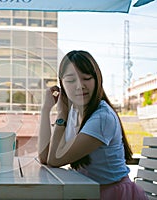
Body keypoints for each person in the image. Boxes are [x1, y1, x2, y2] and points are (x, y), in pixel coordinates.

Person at [38, 50, 147, 200]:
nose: (80, 86)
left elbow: (55, 160)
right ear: (61, 84)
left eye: (86, 78)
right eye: (70, 80)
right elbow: (44, 157)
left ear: (97, 80)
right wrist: (45, 110)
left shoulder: (102, 118)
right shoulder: (75, 112)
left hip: (113, 194)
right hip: (87, 191)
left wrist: (61, 114)